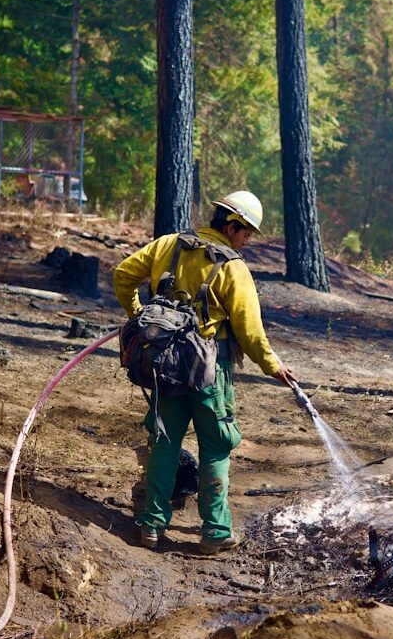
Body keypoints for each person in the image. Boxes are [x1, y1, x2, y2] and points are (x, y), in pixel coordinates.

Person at [113, 190, 296, 554]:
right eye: (246, 235)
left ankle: (151, 526)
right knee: (216, 444)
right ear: (232, 226)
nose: (247, 243)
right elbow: (249, 329)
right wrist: (272, 365)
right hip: (210, 372)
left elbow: (123, 274)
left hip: (165, 366)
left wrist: (137, 314)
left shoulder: (168, 244)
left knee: (165, 443)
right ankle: (215, 532)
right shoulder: (232, 267)